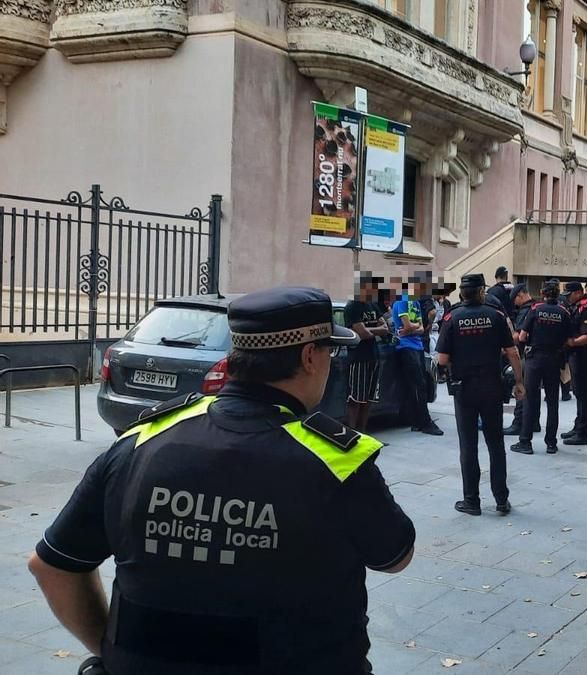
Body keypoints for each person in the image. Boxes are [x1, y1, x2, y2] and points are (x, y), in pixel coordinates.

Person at [28, 287, 416, 674]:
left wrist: (109, 649)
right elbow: (395, 557)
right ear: (309, 356)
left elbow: (52, 565)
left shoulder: (139, 442)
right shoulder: (337, 462)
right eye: (329, 351)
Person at [438, 274, 525, 516]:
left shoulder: (451, 317)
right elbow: (513, 353)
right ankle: (500, 500)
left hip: (464, 390)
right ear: (480, 292)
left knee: (468, 446)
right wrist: (519, 382)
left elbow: (442, 359)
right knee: (496, 444)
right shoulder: (495, 316)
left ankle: (472, 501)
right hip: (492, 387)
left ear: (462, 293)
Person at [510, 281, 572, 455]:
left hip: (534, 359)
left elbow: (522, 337)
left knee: (530, 400)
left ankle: (525, 442)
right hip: (554, 359)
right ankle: (551, 443)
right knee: (553, 402)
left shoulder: (535, 310)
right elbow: (568, 339)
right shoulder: (563, 312)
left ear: (543, 293)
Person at [392, 283, 443, 436]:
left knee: (420, 385)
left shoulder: (414, 303)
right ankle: (424, 421)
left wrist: (411, 328)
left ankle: (416, 421)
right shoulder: (401, 302)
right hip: (405, 347)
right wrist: (413, 327)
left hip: (418, 346)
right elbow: (407, 326)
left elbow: (420, 328)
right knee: (417, 385)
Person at [345, 273, 391, 431]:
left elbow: (385, 329)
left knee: (369, 398)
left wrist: (370, 330)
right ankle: (353, 432)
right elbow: (361, 334)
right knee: (356, 398)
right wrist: (374, 330)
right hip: (358, 357)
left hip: (374, 355)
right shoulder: (353, 306)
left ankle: (363, 432)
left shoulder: (372, 305)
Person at [561, 281, 587, 446]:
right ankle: (578, 426)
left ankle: (583, 433)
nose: (567, 298)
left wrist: (571, 343)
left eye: (569, 295)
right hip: (576, 355)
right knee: (578, 392)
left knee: (583, 394)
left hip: (583, 356)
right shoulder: (577, 306)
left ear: (578, 292)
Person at [503, 283, 535, 436]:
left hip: (526, 354)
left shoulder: (526, 309)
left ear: (520, 295)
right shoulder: (537, 306)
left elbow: (518, 335)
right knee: (532, 391)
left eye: (514, 299)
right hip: (537, 355)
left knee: (520, 388)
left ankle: (518, 423)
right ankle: (533, 422)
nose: (514, 303)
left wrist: (504, 346)